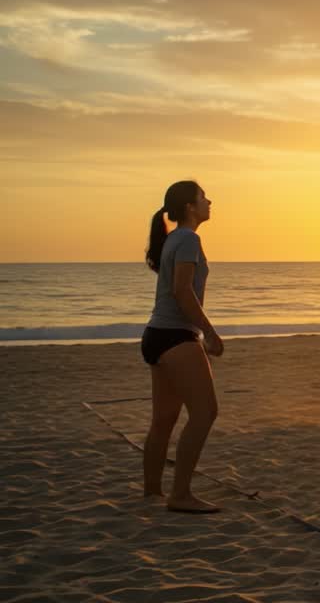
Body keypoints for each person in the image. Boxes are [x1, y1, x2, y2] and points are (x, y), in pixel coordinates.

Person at [141, 181, 223, 513]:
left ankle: (151, 492)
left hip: (156, 335)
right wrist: (210, 333)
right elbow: (182, 291)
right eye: (204, 197)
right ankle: (181, 495)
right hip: (176, 336)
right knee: (205, 412)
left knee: (164, 420)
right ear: (190, 206)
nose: (209, 201)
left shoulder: (174, 238)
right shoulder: (188, 238)